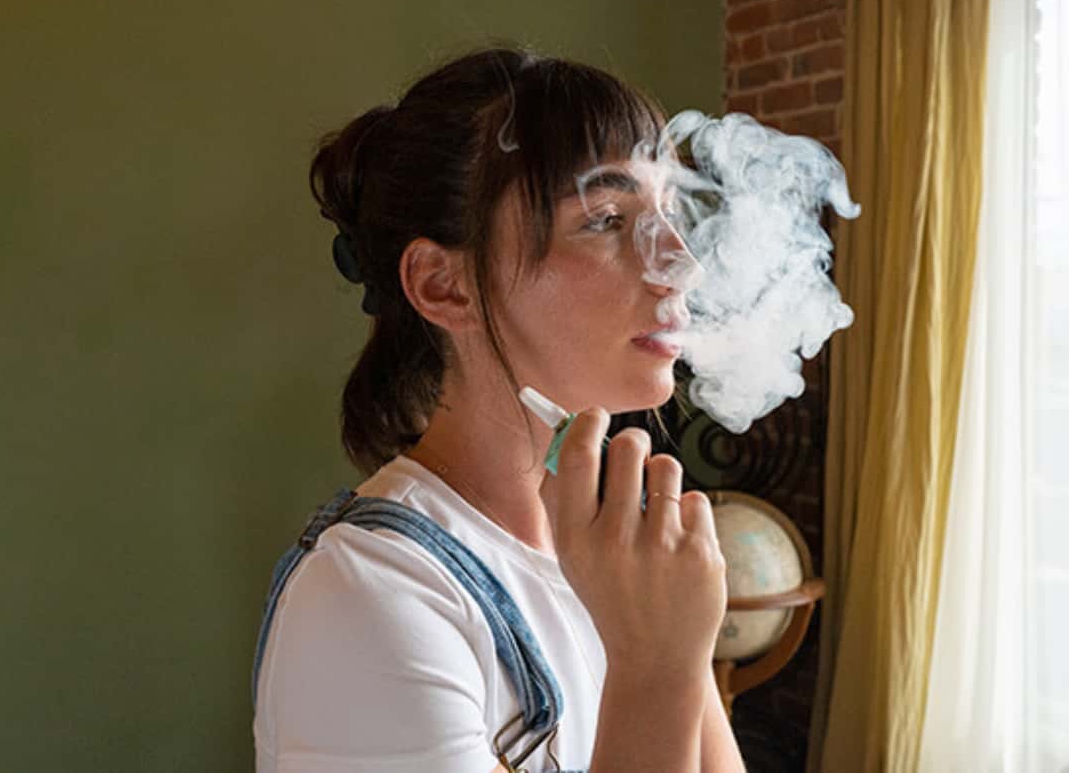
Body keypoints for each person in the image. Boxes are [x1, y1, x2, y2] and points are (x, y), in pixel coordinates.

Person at [252, 47, 744, 772]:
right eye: (607, 218)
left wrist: (677, 651)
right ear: (443, 285)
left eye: (666, 213)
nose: (679, 260)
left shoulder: (620, 558)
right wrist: (654, 667)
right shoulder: (370, 601)